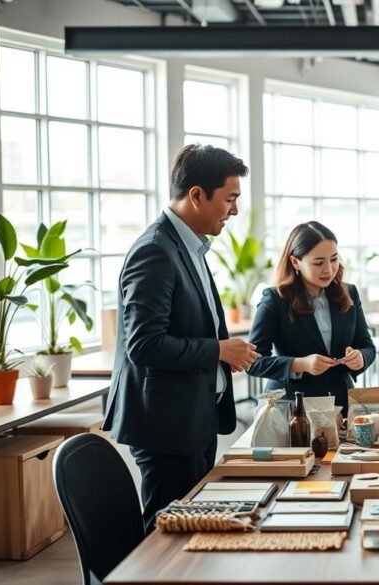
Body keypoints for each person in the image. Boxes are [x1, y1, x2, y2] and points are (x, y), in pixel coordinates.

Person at [103, 144, 261, 533]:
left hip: (193, 416)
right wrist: (219, 351)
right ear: (196, 195)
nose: (235, 210)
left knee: (189, 528)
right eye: (230, 199)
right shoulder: (155, 251)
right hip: (166, 426)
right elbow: (143, 345)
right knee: (166, 536)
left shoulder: (189, 247)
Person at [246, 221, 376, 416]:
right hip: (291, 408)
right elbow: (253, 362)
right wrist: (300, 364)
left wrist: (360, 358)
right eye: (318, 262)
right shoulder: (275, 300)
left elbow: (367, 346)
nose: (329, 269)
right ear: (295, 262)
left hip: (341, 403)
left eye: (333, 259)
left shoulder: (349, 293)